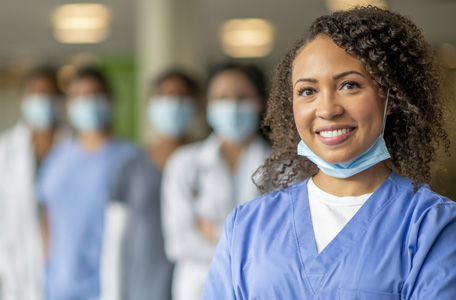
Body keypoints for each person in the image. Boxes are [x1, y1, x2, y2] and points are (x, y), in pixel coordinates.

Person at [202, 6, 456, 299]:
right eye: (308, 91)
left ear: (390, 98)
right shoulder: (247, 226)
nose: (327, 109)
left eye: (349, 85)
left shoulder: (430, 226)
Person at [161, 63, 271, 300]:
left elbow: (277, 239)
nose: (231, 106)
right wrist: (245, 245)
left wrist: (212, 229)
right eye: (221, 98)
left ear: (260, 102)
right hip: (198, 289)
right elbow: (179, 242)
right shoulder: (184, 163)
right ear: (208, 105)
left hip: (260, 289)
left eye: (242, 97)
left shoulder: (281, 166)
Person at [36, 67, 136, 300]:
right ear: (69, 104)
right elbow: (48, 221)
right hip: (58, 287)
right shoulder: (57, 158)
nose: (88, 103)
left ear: (111, 100)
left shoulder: (129, 158)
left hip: (108, 288)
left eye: (94, 95)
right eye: (79, 96)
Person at [103, 70, 201, 300]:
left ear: (197, 105)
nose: (174, 105)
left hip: (197, 286)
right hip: (142, 289)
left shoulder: (206, 163)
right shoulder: (130, 167)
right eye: (165, 97)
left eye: (181, 97)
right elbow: (115, 243)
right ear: (150, 105)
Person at [0, 68, 67, 300]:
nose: (43, 101)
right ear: (23, 100)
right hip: (15, 273)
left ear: (61, 100)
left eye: (49, 94)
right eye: (36, 94)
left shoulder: (74, 148)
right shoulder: (5, 151)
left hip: (67, 271)